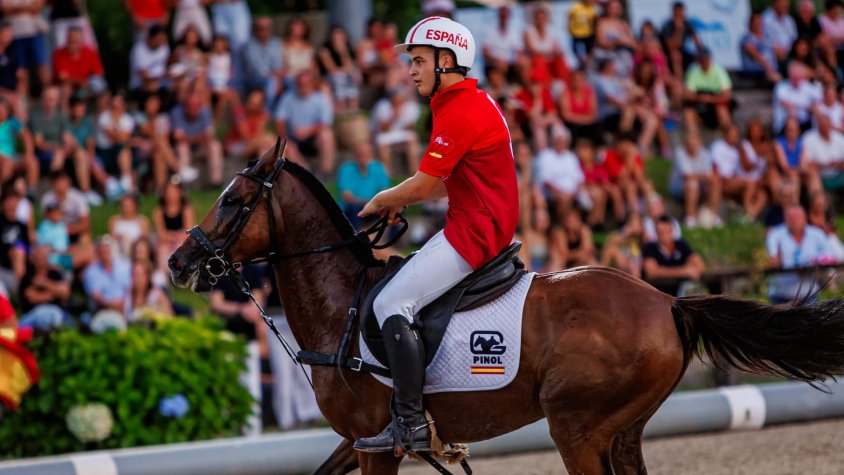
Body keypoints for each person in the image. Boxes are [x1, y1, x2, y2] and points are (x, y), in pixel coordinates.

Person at [352, 17, 519, 454]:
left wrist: (383, 198)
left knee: (390, 302)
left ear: (448, 61)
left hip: (475, 232)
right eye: (412, 62)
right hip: (477, 222)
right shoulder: (463, 103)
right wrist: (399, 200)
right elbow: (447, 180)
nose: (412, 70)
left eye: (420, 61)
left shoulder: (461, 110)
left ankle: (410, 424)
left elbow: (426, 185)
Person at [209, 263, 269, 436]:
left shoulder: (252, 271)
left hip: (248, 338)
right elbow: (217, 303)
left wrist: (250, 310)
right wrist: (241, 309)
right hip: (227, 336)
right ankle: (229, 428)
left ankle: (252, 430)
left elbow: (257, 300)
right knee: (229, 383)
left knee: (251, 383)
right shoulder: (219, 271)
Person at [273, 71, 336, 177]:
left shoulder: (320, 98)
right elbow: (280, 120)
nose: (303, 87)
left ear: (311, 84)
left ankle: (326, 172)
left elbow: (326, 122)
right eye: (300, 84)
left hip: (313, 139)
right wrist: (284, 137)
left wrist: (308, 131)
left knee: (327, 135)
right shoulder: (288, 98)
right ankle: (305, 171)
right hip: (293, 138)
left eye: (305, 84)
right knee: (283, 144)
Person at [766, 205, 832, 304]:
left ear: (805, 218)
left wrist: (815, 263)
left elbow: (829, 255)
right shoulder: (775, 234)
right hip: (781, 295)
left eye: (797, 217)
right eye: (790, 217)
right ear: (785, 219)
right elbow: (772, 257)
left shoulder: (817, 234)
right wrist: (774, 258)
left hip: (809, 294)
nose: (794, 220)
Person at [642, 215, 705, 296]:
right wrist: (684, 271)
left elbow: (700, 265)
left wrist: (691, 267)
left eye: (666, 231)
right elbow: (651, 272)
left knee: (692, 287)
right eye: (660, 232)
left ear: (672, 230)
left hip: (680, 294)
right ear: (656, 233)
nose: (664, 235)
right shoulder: (649, 247)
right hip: (658, 294)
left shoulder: (681, 245)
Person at [669, 132, 722, 228]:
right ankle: (690, 219)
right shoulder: (680, 154)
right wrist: (705, 176)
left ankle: (714, 216)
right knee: (692, 184)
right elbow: (687, 175)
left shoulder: (705, 154)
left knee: (715, 183)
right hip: (680, 187)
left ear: (699, 143)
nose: (692, 147)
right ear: (685, 144)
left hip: (700, 186)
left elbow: (709, 175)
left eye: (694, 144)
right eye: (689, 144)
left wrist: (710, 178)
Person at [534, 126, 585, 224]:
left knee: (597, 194)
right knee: (564, 199)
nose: (562, 143)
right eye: (559, 140)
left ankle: (592, 224)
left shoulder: (571, 157)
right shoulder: (546, 155)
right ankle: (562, 224)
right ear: (554, 141)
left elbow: (579, 178)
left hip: (573, 192)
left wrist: (577, 191)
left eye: (564, 141)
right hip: (554, 193)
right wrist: (562, 193)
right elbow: (546, 182)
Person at [170, 93, 223, 186]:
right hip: (184, 147)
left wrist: (189, 138)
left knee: (215, 146)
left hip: (201, 146)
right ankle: (183, 183)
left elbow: (210, 136)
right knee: (183, 147)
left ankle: (216, 182)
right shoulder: (177, 112)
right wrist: (199, 137)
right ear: (186, 106)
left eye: (196, 106)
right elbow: (178, 138)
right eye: (191, 106)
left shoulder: (205, 112)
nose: (194, 109)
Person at [336, 141, 391, 230]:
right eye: (360, 155)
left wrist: (376, 204)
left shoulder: (378, 168)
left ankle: (394, 240)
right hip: (355, 209)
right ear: (355, 156)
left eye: (365, 155)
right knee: (353, 207)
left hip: (374, 207)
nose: (362, 159)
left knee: (394, 207)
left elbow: (385, 191)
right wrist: (372, 203)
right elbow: (347, 197)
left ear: (371, 155)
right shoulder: (346, 169)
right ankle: (356, 236)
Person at [370, 86, 420, 175]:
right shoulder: (383, 105)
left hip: (402, 133)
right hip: (386, 134)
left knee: (412, 138)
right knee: (382, 141)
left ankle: (414, 171)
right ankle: (386, 173)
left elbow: (410, 127)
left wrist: (402, 116)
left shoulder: (411, 106)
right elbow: (383, 129)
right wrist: (394, 116)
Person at [18, 244, 70, 328]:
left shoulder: (55, 274)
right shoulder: (28, 276)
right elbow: (32, 297)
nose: (40, 260)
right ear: (33, 259)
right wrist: (54, 294)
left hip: (57, 312)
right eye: (38, 257)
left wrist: (45, 283)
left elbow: (65, 292)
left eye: (43, 257)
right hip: (33, 313)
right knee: (43, 314)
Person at [683, 48, 733, 132]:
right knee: (688, 113)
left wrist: (710, 99)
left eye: (705, 59)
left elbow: (727, 95)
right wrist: (700, 98)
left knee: (722, 111)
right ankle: (694, 141)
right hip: (699, 105)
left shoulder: (719, 71)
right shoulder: (693, 72)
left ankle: (727, 139)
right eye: (701, 59)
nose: (704, 62)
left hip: (716, 105)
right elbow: (688, 94)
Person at [51, 26, 105, 101]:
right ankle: (64, 112)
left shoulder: (90, 52)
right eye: (70, 40)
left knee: (99, 85)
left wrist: (85, 83)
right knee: (66, 88)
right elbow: (62, 77)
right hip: (65, 87)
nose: (72, 43)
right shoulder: (59, 54)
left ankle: (102, 111)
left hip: (85, 86)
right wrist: (81, 81)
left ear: (81, 40)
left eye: (75, 40)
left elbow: (99, 72)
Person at [153, 180, 194, 277]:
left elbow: (188, 231)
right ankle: (164, 277)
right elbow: (161, 234)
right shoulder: (159, 211)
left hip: (181, 241)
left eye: (174, 191)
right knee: (162, 249)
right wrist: (173, 238)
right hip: (166, 242)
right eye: (168, 191)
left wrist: (174, 237)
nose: (171, 194)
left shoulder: (187, 209)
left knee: (180, 246)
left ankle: (183, 274)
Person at [83, 236, 131, 314]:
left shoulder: (124, 266)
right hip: (103, 310)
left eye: (106, 250)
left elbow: (129, 289)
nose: (104, 253)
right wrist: (112, 305)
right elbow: (96, 297)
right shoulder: (91, 272)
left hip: (124, 307)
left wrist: (122, 303)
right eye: (102, 251)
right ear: (97, 253)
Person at [772, 62, 820, 134]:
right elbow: (785, 104)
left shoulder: (806, 85)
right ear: (789, 76)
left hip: (805, 121)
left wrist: (813, 106)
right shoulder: (781, 86)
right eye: (794, 77)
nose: (797, 79)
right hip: (786, 122)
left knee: (818, 112)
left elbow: (818, 100)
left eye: (799, 77)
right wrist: (807, 106)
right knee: (792, 113)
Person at [802, 113, 844, 193]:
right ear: (818, 126)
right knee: (813, 176)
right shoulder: (809, 139)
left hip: (839, 174)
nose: (825, 127)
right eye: (822, 125)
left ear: (830, 125)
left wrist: (837, 164)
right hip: (820, 176)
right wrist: (825, 165)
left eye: (826, 125)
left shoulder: (839, 138)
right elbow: (806, 164)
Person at [660, 1, 702, 78]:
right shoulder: (667, 26)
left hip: (683, 52)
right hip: (667, 53)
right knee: (676, 55)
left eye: (681, 12)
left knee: (700, 57)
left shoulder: (687, 23)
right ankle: (679, 82)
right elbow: (672, 46)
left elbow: (697, 41)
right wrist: (679, 30)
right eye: (677, 12)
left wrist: (701, 52)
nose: (679, 14)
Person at [741, 12, 782, 85]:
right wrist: (768, 68)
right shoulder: (746, 39)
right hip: (756, 72)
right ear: (750, 24)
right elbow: (755, 55)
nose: (758, 25)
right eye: (756, 22)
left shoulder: (767, 38)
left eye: (760, 22)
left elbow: (777, 51)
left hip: (772, 70)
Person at [0, 190, 27, 292]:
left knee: (19, 250)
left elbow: (27, 248)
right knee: (18, 251)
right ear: (4, 202)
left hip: (19, 265)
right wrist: (9, 252)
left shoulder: (22, 225)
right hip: (3, 267)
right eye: (10, 200)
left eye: (15, 200)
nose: (13, 203)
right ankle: (22, 291)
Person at [108, 194, 149, 260]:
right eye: (124, 205)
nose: (126, 208)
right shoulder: (114, 220)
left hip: (134, 248)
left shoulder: (142, 221)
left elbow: (145, 240)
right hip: (118, 247)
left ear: (135, 206)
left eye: (128, 205)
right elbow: (111, 238)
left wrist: (131, 241)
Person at [763, 0, 799, 69]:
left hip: (789, 55)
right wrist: (774, 48)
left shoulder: (790, 21)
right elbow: (762, 39)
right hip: (771, 56)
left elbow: (794, 39)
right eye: (782, 3)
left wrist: (787, 51)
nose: (785, 5)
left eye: (786, 3)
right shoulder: (765, 19)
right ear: (775, 3)